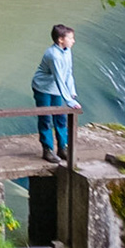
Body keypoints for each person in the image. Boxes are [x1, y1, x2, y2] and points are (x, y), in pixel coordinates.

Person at [32, 23, 79, 165]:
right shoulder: (53, 55)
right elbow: (59, 77)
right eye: (70, 38)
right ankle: (47, 149)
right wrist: (70, 102)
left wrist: (72, 92)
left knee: (60, 118)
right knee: (46, 118)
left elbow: (68, 72)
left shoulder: (67, 50)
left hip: (57, 89)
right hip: (43, 88)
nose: (73, 41)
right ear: (60, 39)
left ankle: (62, 148)